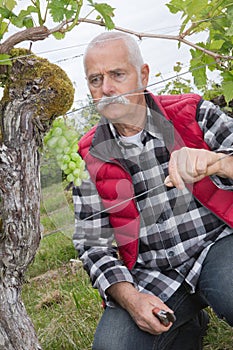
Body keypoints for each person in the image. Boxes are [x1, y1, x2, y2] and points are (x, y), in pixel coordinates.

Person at [73, 31, 233, 350]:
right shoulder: (88, 156)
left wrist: (217, 163)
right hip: (151, 274)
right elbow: (93, 244)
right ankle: (187, 323)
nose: (106, 89)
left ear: (143, 75)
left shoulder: (193, 113)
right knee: (112, 347)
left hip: (216, 248)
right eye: (95, 79)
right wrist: (131, 298)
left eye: (118, 74)